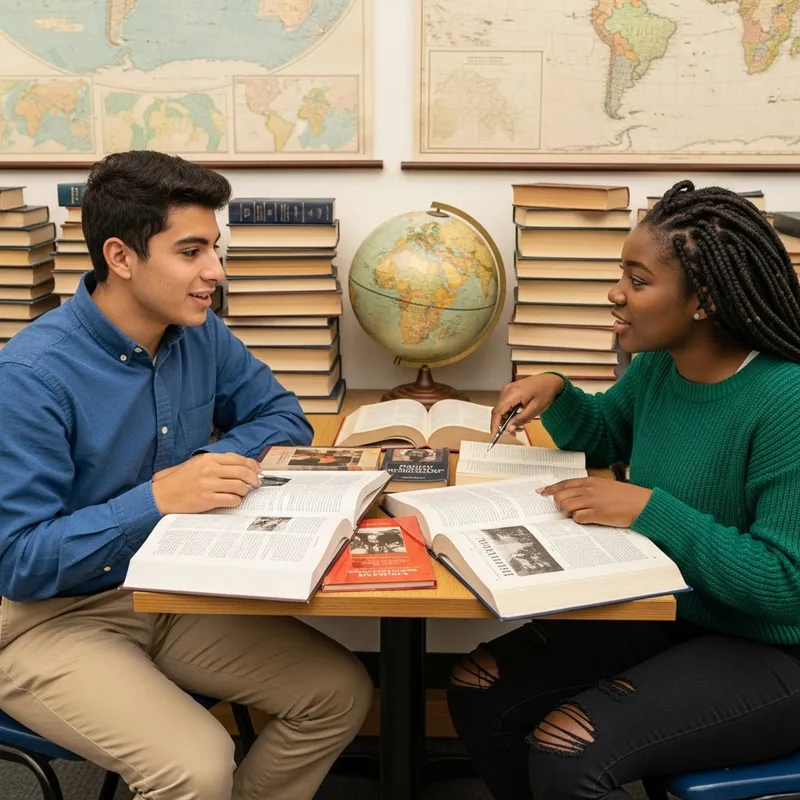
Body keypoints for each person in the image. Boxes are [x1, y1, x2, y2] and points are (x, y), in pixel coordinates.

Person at [0, 151, 372, 800]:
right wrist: (159, 498)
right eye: (191, 251)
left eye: (215, 249)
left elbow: (283, 416)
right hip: (48, 621)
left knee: (340, 693)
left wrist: (203, 469)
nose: (215, 273)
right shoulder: (32, 377)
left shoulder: (198, 333)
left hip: (165, 589)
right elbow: (19, 562)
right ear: (121, 257)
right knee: (197, 765)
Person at [448, 180, 800, 800]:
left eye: (638, 281)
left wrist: (651, 511)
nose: (616, 293)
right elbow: (609, 432)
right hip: (672, 609)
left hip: (772, 649)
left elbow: (784, 584)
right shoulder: (663, 365)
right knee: (477, 684)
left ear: (705, 300)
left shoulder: (785, 400)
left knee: (566, 750)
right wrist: (556, 387)